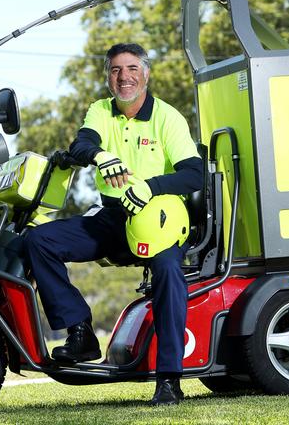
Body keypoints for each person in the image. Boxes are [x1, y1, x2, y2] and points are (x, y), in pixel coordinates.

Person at [24, 43, 203, 406]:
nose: (125, 77)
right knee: (39, 241)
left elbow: (194, 174)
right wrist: (101, 155)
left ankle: (169, 379)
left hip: (160, 220)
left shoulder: (167, 118)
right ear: (108, 78)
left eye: (132, 68)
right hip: (113, 217)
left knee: (169, 272)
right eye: (116, 70)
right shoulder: (100, 111)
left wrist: (149, 187)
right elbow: (82, 143)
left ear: (146, 74)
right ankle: (80, 332)